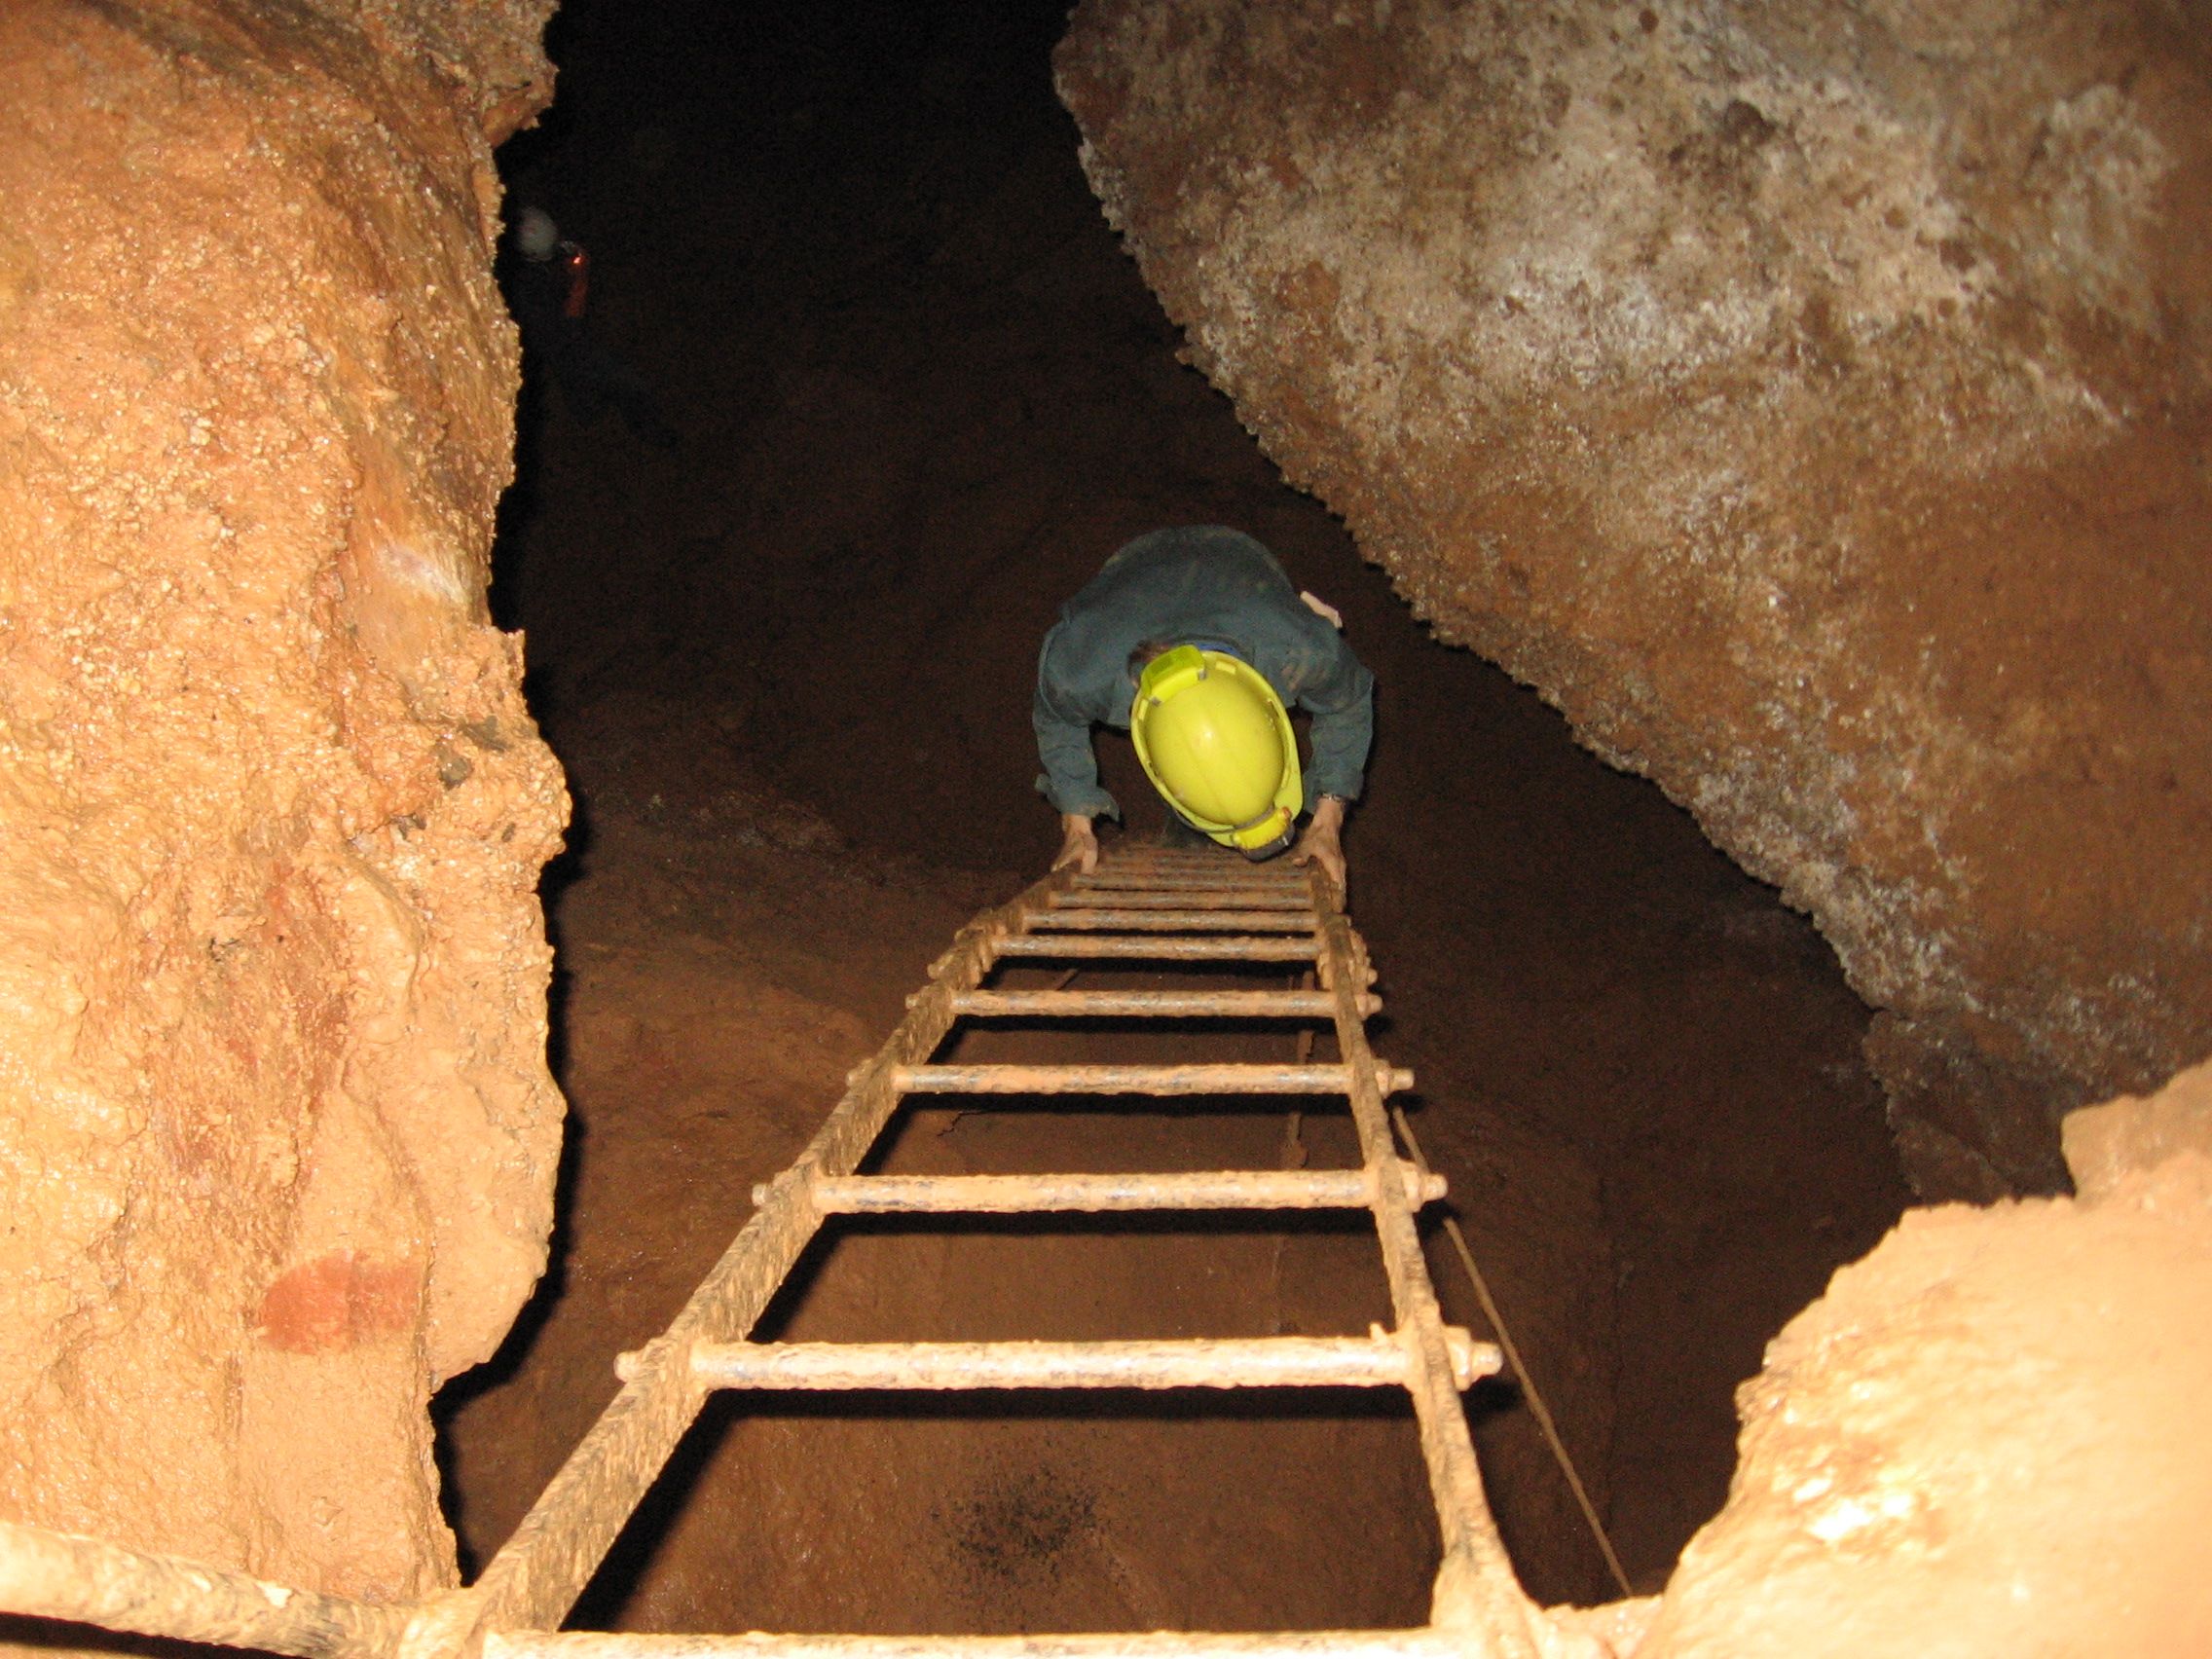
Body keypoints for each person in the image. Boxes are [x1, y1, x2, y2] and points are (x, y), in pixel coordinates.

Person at [1033, 525, 1374, 891]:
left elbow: (1348, 701)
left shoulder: (1301, 650)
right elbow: (1058, 720)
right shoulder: (1078, 673)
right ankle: (1190, 820)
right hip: (1132, 575)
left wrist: (1327, 821)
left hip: (1241, 568)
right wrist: (1077, 823)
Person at [502, 206, 679, 450]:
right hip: (558, 343)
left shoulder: (516, 246)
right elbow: (568, 331)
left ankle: (586, 413)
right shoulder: (528, 292)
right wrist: (580, 280)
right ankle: (649, 436)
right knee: (622, 382)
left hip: (550, 338)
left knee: (578, 384)